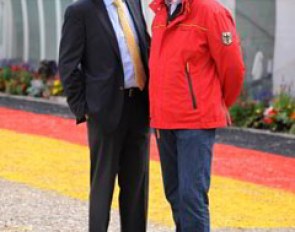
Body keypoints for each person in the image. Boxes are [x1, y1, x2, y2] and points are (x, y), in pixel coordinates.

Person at [149, 0, 245, 231]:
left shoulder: (211, 12)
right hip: (164, 120)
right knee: (174, 194)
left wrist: (214, 103)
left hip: (195, 122)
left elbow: (233, 68)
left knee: (191, 196)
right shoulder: (160, 12)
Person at [59, 0, 150, 231]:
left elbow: (143, 47)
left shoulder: (134, 3)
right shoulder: (80, 11)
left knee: (137, 187)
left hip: (138, 107)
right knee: (102, 186)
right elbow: (68, 65)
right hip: (104, 111)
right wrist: (84, 108)